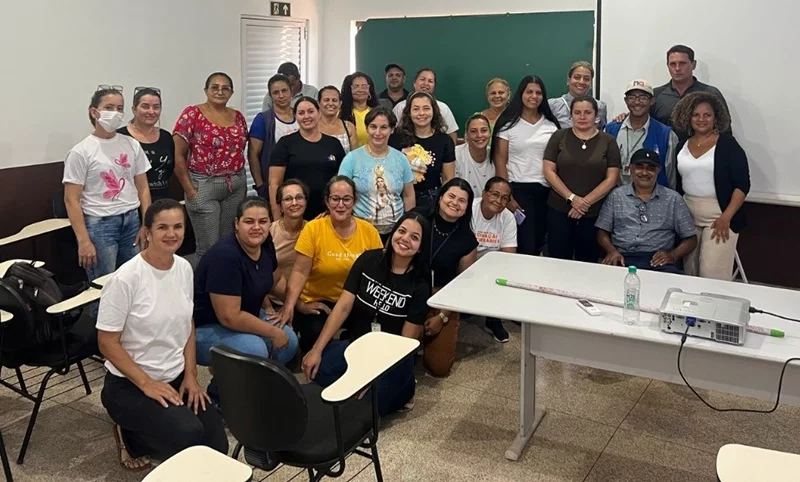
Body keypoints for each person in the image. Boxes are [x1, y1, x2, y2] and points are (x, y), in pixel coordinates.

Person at [97, 199, 227, 471]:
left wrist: (191, 376)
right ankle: (129, 436)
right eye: (163, 227)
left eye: (178, 226)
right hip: (129, 385)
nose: (172, 234)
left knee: (217, 445)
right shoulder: (125, 279)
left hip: (174, 377)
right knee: (188, 435)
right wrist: (146, 383)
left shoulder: (182, 268)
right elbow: (107, 342)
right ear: (147, 232)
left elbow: (187, 324)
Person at [301, 212, 430, 416]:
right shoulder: (369, 259)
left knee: (365, 406)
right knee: (319, 368)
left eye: (415, 237)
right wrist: (316, 349)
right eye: (402, 231)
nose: (405, 239)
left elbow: (407, 341)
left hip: (392, 359)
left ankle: (405, 389)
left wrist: (373, 375)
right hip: (357, 345)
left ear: (421, 247)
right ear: (393, 232)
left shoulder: (420, 285)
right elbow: (342, 307)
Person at [193, 197, 299, 399]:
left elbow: (275, 279)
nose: (256, 227)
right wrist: (272, 332)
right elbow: (229, 317)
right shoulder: (225, 257)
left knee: (290, 340)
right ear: (236, 224)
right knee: (255, 348)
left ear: (270, 223)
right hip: (205, 328)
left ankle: (252, 387)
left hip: (245, 313)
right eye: (249, 221)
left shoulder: (265, 243)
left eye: (263, 221)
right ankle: (220, 396)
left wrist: (296, 304)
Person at [63, 86, 151, 309]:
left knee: (134, 281)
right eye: (109, 107)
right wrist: (83, 240)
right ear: (94, 112)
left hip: (131, 221)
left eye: (119, 108)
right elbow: (71, 200)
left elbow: (142, 188)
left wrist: (146, 223)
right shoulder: (81, 151)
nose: (115, 113)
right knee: (103, 287)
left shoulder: (131, 144)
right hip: (100, 227)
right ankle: (101, 337)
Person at [278, 176, 383, 353]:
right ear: (327, 201)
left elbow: (378, 274)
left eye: (346, 199)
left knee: (365, 340)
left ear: (354, 201)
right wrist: (290, 306)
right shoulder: (313, 228)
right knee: (313, 337)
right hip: (319, 299)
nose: (340, 204)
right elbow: (300, 271)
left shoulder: (369, 231)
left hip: (354, 301)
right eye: (335, 199)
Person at [672, 92, 749, 280]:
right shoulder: (681, 146)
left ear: (716, 118)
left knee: (711, 274)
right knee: (691, 273)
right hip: (688, 215)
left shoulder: (728, 144)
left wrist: (726, 217)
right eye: (695, 115)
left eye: (707, 115)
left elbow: (742, 185)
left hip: (720, 216)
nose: (701, 119)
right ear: (688, 117)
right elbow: (680, 184)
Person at [173, 72, 248, 256]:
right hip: (204, 186)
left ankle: (225, 284)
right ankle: (205, 285)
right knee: (208, 249)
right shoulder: (192, 114)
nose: (219, 92)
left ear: (231, 92)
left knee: (229, 244)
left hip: (235, 185)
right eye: (215, 87)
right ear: (206, 90)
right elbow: (177, 156)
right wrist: (190, 191)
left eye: (225, 88)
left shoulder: (238, 117)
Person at [543, 95, 621, 262]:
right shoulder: (559, 137)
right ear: (571, 115)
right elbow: (549, 171)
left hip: (594, 213)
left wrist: (583, 203)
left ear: (596, 115)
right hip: (559, 209)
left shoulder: (608, 141)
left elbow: (612, 178)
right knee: (557, 261)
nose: (582, 117)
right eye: (577, 112)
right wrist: (572, 198)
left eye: (588, 112)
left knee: (589, 262)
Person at [596, 149, 697, 273]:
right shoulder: (616, 195)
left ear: (658, 171)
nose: (644, 172)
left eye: (651, 168)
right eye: (639, 167)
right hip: (622, 257)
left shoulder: (673, 199)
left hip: (659, 260)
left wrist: (672, 255)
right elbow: (602, 232)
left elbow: (691, 238)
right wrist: (611, 251)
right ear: (630, 168)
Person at [491, 75, 561, 256]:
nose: (534, 96)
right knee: (525, 246)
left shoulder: (551, 126)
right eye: (529, 91)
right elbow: (500, 161)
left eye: (538, 93)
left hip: (547, 192)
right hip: (518, 191)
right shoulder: (507, 124)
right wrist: (508, 197)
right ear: (521, 94)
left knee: (543, 244)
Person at [421, 178, 478, 377]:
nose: (455, 203)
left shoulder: (468, 241)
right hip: (409, 293)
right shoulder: (419, 220)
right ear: (440, 198)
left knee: (439, 368)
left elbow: (462, 288)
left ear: (467, 208)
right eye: (451, 196)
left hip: (442, 300)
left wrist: (442, 316)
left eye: (462, 201)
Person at [338, 107, 415, 238]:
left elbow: (408, 196)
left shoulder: (401, 158)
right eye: (373, 127)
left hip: (395, 233)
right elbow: (340, 194)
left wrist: (408, 225)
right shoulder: (352, 158)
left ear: (392, 130)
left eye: (384, 127)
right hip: (360, 231)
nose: (378, 132)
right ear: (367, 128)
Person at [268, 97, 346, 220]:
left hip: (327, 213)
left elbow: (342, 180)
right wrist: (278, 218)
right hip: (294, 214)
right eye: (301, 113)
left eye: (311, 111)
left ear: (319, 113)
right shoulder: (285, 144)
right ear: (295, 116)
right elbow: (274, 184)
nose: (306, 116)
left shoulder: (333, 143)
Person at [389, 92, 456, 214]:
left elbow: (448, 179)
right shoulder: (396, 138)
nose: (421, 113)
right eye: (416, 109)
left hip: (432, 201)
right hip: (399, 199)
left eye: (426, 108)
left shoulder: (445, 141)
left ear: (434, 111)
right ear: (409, 112)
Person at [605, 80, 678, 188]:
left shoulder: (666, 135)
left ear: (652, 101)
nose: (637, 102)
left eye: (643, 97)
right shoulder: (610, 130)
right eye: (632, 97)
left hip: (653, 199)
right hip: (616, 198)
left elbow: (671, 176)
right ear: (626, 100)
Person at [470, 177, 516, 342]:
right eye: (494, 194)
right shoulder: (470, 208)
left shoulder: (508, 218)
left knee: (507, 271)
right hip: (467, 259)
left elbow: (508, 256)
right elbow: (464, 246)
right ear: (484, 194)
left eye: (504, 198)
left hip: (492, 264)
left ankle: (493, 319)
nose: (499, 201)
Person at [652, 45, 729, 135]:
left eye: (682, 63)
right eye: (673, 64)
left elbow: (725, 129)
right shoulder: (656, 95)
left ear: (693, 64)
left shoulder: (710, 93)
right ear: (667, 66)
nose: (677, 69)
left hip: (702, 148)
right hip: (665, 148)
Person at [118, 87, 175, 200]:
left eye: (156, 107)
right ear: (134, 109)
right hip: (131, 203)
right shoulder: (121, 136)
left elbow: (170, 169)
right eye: (145, 106)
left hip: (162, 200)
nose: (151, 111)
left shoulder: (166, 137)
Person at [249, 74, 298, 198]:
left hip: (300, 183)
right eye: (276, 92)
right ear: (270, 96)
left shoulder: (301, 116)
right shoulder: (263, 120)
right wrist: (260, 185)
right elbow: (252, 154)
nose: (281, 96)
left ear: (291, 91)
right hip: (274, 186)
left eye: (284, 91)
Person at [267, 179, 309, 307]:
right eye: (288, 199)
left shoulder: (313, 230)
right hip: (275, 301)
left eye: (299, 197)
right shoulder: (269, 232)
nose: (294, 203)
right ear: (280, 206)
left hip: (308, 300)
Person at [392, 69, 459, 143]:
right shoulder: (400, 107)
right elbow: (392, 132)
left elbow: (452, 133)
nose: (426, 83)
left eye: (430, 81)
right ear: (414, 83)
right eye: (422, 79)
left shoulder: (443, 108)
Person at [548, 61, 608, 129]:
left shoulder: (600, 107)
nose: (581, 82)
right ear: (568, 80)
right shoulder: (553, 106)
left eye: (586, 79)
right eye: (577, 77)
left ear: (591, 83)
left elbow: (602, 134)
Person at [454, 114, 494, 199]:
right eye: (473, 131)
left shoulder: (495, 156)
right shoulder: (455, 154)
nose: (479, 135)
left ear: (490, 133)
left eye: (484, 130)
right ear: (467, 135)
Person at [339, 72, 380, 148]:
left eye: (364, 86)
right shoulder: (340, 113)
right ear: (349, 90)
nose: (360, 90)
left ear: (369, 90)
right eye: (356, 86)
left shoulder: (377, 113)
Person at [317, 85, 358, 153]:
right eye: (326, 100)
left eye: (334, 100)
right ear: (318, 103)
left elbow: (355, 157)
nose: (330, 103)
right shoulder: (312, 127)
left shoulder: (349, 127)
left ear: (340, 104)